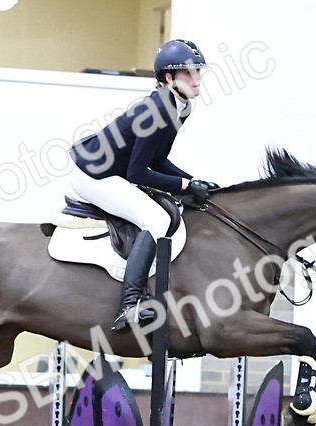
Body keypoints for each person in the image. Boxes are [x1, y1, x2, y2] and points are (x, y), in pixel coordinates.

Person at [69, 39, 220, 331]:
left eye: (198, 71)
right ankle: (130, 304)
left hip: (115, 170)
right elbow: (138, 173)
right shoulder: (157, 111)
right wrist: (185, 184)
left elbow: (159, 159)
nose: (197, 79)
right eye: (189, 73)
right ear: (168, 78)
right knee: (156, 218)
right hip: (93, 175)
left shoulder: (181, 107)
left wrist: (192, 181)